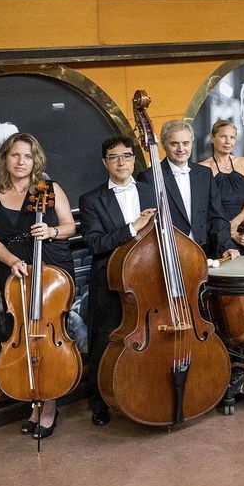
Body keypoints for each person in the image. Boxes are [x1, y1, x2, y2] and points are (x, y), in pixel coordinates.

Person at [0, 132, 77, 439]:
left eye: (28, 156)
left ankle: (49, 405)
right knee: (25, 335)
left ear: (36, 160)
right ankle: (33, 398)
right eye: (15, 155)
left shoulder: (49, 188)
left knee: (50, 335)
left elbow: (70, 225)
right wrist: (11, 261)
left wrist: (50, 230)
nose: (21, 162)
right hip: (16, 270)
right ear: (4, 159)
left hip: (51, 267)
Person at [79, 136, 158, 427]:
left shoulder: (153, 191)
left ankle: (151, 391)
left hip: (151, 280)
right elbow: (95, 243)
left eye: (126, 155)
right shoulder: (91, 200)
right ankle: (101, 402)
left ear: (134, 159)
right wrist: (132, 228)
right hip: (111, 282)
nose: (121, 161)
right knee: (105, 342)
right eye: (114, 157)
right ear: (105, 162)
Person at [142, 120, 240, 259]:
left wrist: (227, 245)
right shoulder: (149, 176)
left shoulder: (204, 174)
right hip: (168, 255)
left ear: (192, 143)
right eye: (174, 143)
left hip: (203, 252)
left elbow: (217, 216)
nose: (181, 149)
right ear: (163, 145)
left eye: (185, 143)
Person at [200, 119, 244, 256]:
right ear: (212, 138)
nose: (228, 141)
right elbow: (205, 208)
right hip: (217, 230)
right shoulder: (202, 168)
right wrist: (229, 233)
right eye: (223, 136)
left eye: (232, 137)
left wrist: (235, 224)